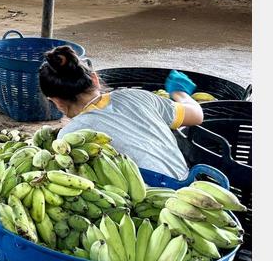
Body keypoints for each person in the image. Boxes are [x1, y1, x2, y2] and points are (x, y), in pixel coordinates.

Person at [38, 45, 204, 179]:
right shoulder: (137, 96)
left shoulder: (69, 137)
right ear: (94, 79)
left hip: (148, 201)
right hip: (189, 185)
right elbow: (197, 115)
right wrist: (179, 92)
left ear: (56, 102)